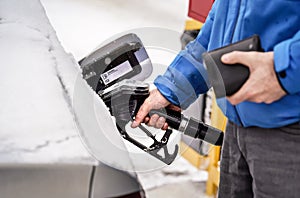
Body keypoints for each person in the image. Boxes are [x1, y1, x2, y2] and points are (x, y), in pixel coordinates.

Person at [131, 0, 300, 197]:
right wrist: (171, 90)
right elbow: (220, 22)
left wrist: (283, 67)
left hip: (290, 128)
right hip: (237, 128)